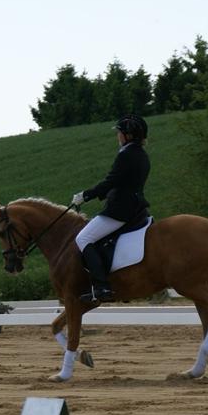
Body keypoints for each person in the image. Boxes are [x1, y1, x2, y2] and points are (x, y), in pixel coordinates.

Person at [70, 114, 151, 302]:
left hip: (120, 210)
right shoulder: (142, 155)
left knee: (83, 238)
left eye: (120, 132)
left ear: (128, 135)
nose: (118, 136)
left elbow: (111, 181)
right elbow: (123, 182)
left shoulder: (126, 154)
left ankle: (102, 287)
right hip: (136, 208)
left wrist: (85, 195)